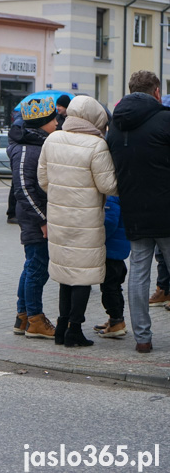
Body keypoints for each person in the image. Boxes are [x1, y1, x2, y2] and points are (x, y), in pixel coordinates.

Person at [37, 95, 117, 347]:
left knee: (65, 274)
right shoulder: (96, 145)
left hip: (59, 218)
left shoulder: (53, 139)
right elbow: (108, 185)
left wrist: (61, 194)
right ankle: (74, 330)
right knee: (82, 275)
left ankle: (61, 328)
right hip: (86, 220)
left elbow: (43, 179)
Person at [106, 70, 170, 353]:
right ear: (156, 91)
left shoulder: (116, 125)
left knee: (139, 274)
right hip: (167, 210)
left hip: (133, 209)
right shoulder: (166, 119)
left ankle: (142, 339)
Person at [8, 96, 57, 339]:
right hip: (35, 217)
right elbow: (23, 189)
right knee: (37, 267)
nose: (57, 122)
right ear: (42, 123)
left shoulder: (36, 142)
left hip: (36, 215)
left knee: (32, 266)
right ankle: (35, 319)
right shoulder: (28, 148)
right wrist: (42, 220)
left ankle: (23, 316)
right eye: (52, 119)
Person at [93, 195, 130, 338]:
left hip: (111, 251)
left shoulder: (111, 198)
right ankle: (117, 320)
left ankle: (116, 322)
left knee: (109, 288)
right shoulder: (119, 196)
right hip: (118, 250)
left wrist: (96, 239)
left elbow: (109, 222)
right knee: (115, 287)